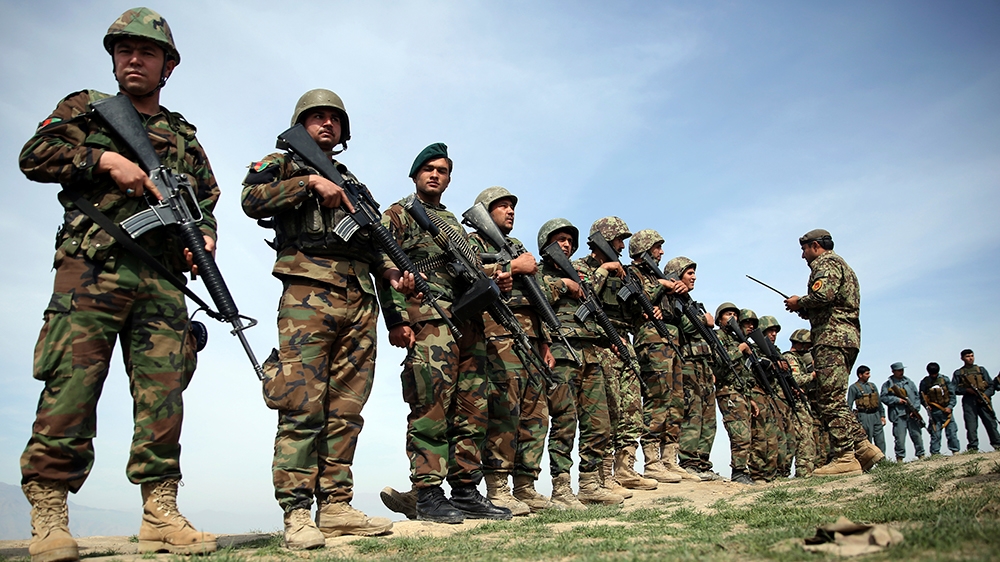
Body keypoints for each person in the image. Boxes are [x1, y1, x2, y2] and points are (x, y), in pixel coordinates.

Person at [18, 9, 219, 561]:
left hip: (160, 281)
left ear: (167, 67)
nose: (134, 59)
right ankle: (50, 513)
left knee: (164, 394)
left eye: (147, 52)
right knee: (71, 388)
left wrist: (203, 240)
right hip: (92, 270)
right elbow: (33, 157)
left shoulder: (182, 136)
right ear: (113, 58)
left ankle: (161, 512)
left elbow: (206, 198)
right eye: (125, 50)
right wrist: (104, 158)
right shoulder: (85, 109)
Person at [241, 90, 406, 547]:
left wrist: (393, 272)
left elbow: (375, 245)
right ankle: (296, 512)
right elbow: (251, 200)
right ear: (302, 123)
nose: (327, 124)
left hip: (360, 298)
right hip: (308, 294)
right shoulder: (282, 163)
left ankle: (335, 505)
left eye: (335, 119)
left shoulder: (356, 184)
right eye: (317, 117)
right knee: (300, 402)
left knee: (346, 408)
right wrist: (308, 185)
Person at [377, 144, 511, 523]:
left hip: (468, 322)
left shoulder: (452, 221)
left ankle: (466, 489)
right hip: (430, 319)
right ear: (416, 174)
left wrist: (494, 277)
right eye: (429, 169)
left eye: (443, 171)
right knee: (431, 405)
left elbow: (468, 268)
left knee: (473, 408)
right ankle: (427, 492)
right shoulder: (399, 215)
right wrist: (397, 319)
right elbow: (384, 265)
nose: (435, 175)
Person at [466, 186, 553, 514]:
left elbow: (538, 299)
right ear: (486, 212)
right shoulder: (474, 242)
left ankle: (525, 485)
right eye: (502, 206)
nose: (510, 211)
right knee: (505, 410)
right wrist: (511, 268)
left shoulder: (518, 247)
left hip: (530, 341)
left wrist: (545, 341)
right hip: (498, 336)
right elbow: (467, 275)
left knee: (535, 414)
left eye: (512, 206)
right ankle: (498, 486)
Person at [536, 218, 622, 507]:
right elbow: (536, 300)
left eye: (570, 240)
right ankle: (561, 488)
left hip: (590, 354)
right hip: (561, 354)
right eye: (560, 239)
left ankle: (589, 484)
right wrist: (563, 285)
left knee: (599, 424)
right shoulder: (538, 273)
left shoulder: (582, 276)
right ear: (546, 243)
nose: (567, 244)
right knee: (564, 422)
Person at [784, 229, 883, 475]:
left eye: (804, 249)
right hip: (845, 338)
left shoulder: (826, 263)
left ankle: (845, 457)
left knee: (829, 399)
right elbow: (833, 301)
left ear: (815, 246)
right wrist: (808, 311)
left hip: (831, 338)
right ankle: (863, 447)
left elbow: (823, 294)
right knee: (836, 397)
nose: (803, 255)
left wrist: (800, 302)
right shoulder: (842, 265)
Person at [581, 217, 658, 493]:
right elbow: (583, 296)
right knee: (609, 411)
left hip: (625, 344)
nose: (623, 246)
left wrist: (647, 311)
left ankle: (625, 469)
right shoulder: (582, 267)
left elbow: (631, 314)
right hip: (601, 346)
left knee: (631, 410)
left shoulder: (625, 274)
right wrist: (603, 269)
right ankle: (604, 476)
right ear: (603, 239)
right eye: (618, 240)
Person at [627, 237, 687, 484]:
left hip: (670, 337)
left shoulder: (658, 276)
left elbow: (675, 314)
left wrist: (679, 291)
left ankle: (668, 459)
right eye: (657, 248)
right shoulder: (633, 273)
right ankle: (651, 461)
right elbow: (632, 301)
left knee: (675, 400)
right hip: (650, 338)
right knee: (657, 396)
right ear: (644, 249)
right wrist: (662, 285)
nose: (661, 253)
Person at [668, 257, 720, 482]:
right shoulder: (673, 299)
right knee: (693, 413)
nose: (694, 277)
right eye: (689, 273)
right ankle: (688, 462)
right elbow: (682, 325)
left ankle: (703, 462)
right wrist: (705, 321)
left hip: (703, 366)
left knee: (709, 418)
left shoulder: (691, 302)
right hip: (687, 364)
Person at [712, 302, 756, 485]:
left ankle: (744, 470)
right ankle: (738, 471)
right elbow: (720, 361)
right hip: (727, 391)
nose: (733, 317)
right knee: (739, 433)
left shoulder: (736, 339)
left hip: (741, 392)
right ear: (719, 319)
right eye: (728, 314)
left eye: (735, 314)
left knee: (747, 433)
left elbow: (744, 374)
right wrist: (740, 350)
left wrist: (750, 398)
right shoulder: (718, 336)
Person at [953, 349, 1000, 452]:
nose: (970, 358)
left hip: (983, 400)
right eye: (967, 356)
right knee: (971, 425)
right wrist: (966, 390)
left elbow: (991, 385)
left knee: (990, 423)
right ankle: (973, 447)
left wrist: (985, 395)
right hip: (969, 401)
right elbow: (954, 389)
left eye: (972, 355)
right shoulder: (959, 373)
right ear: (962, 358)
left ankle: (997, 444)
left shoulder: (981, 370)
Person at [880, 363, 927, 462]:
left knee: (917, 435)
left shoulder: (909, 382)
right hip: (898, 414)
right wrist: (897, 400)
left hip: (911, 414)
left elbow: (917, 397)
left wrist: (915, 409)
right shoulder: (888, 384)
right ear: (893, 371)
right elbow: (884, 398)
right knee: (899, 438)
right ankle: (900, 458)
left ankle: (921, 455)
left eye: (902, 370)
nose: (901, 372)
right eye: (899, 370)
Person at [918, 362, 959, 456]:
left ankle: (955, 451)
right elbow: (922, 397)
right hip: (934, 412)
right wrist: (927, 406)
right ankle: (935, 453)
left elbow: (952, 395)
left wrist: (950, 407)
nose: (933, 376)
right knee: (935, 434)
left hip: (946, 411)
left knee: (952, 432)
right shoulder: (925, 382)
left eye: (935, 374)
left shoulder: (945, 379)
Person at [846, 365, 887, 454]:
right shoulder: (854, 388)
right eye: (867, 373)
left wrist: (882, 415)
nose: (869, 375)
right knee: (867, 441)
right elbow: (849, 404)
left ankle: (883, 461)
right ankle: (869, 463)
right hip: (864, 416)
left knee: (880, 440)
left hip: (876, 415)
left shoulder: (872, 386)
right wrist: (851, 421)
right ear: (860, 375)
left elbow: (878, 402)